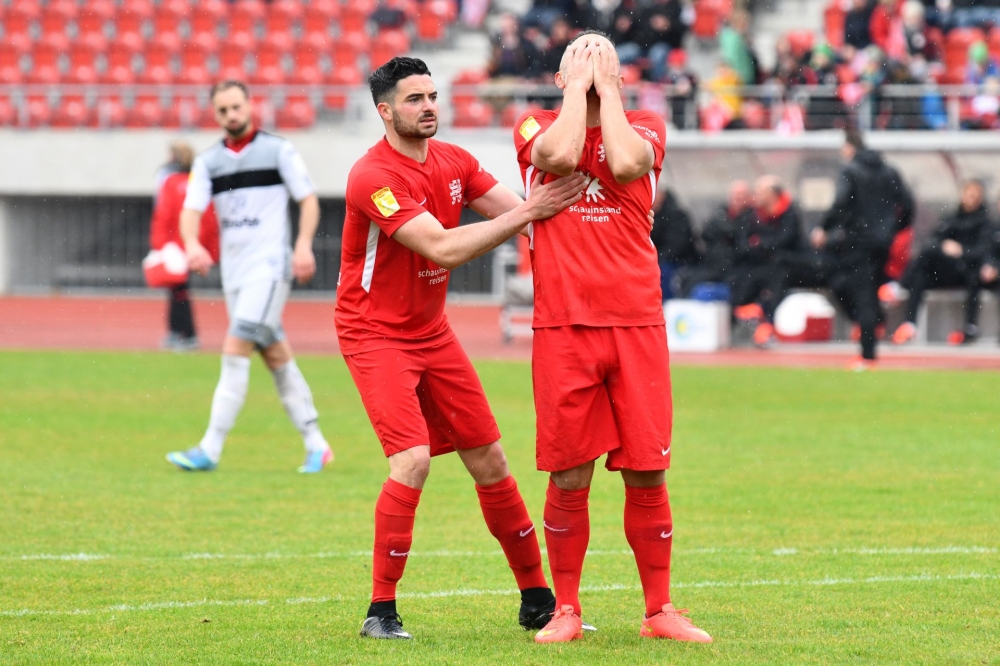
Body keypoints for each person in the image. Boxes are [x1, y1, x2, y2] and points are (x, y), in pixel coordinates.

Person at [339, 57, 586, 640]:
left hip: (432, 331)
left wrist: (599, 225)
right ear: (385, 111)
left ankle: (536, 599)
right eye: (413, 99)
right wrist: (532, 211)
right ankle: (381, 611)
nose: (428, 106)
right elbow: (443, 250)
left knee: (491, 459)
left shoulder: (454, 160)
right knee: (413, 461)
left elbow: (524, 218)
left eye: (432, 96)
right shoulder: (371, 175)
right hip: (374, 333)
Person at [513, 30, 712, 644]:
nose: (597, 72)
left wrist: (610, 93)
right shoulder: (534, 125)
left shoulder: (644, 123)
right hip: (564, 324)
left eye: (608, 65)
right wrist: (579, 91)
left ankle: (659, 612)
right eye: (582, 63)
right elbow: (560, 157)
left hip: (636, 323)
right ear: (559, 80)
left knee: (647, 472)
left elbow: (626, 164)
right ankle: (565, 610)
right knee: (568, 471)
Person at [165, 80, 333, 474]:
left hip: (270, 268)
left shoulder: (278, 150)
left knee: (235, 346)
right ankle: (316, 443)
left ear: (250, 105)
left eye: (236, 106)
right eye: (222, 110)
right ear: (216, 114)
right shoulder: (208, 162)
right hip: (235, 274)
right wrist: (191, 243)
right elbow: (190, 211)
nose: (231, 115)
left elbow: (308, 199)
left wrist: (304, 245)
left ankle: (210, 447)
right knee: (275, 354)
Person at [812, 129, 914, 368]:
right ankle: (873, 325)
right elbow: (907, 205)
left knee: (860, 293)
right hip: (882, 243)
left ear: (849, 147)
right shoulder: (890, 171)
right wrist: (893, 229)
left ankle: (868, 354)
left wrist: (825, 227)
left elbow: (841, 202)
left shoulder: (850, 171)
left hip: (858, 242)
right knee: (868, 291)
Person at [893, 180, 991, 345]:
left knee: (971, 274)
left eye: (975, 195)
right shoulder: (951, 219)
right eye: (969, 193)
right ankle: (909, 324)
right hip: (946, 269)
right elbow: (933, 240)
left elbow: (983, 251)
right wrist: (944, 248)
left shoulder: (985, 223)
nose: (971, 198)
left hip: (967, 272)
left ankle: (970, 327)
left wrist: (961, 250)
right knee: (921, 272)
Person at [148, 141, 219, 351]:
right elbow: (208, 219)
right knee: (178, 290)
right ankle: (178, 332)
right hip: (192, 244)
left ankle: (186, 334)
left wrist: (159, 244)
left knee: (179, 291)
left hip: (175, 246)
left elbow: (164, 214)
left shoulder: (170, 182)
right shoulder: (198, 181)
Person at [731, 176, 802, 346]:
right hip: (759, 264)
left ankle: (766, 319)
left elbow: (785, 241)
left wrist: (760, 243)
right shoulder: (751, 215)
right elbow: (743, 244)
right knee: (741, 275)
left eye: (760, 192)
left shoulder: (789, 213)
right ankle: (751, 311)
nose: (756, 196)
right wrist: (761, 246)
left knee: (778, 275)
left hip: (789, 266)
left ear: (772, 194)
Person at [650, 188, 699, 300]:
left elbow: (678, 245)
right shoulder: (651, 217)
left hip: (679, 262)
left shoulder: (676, 215)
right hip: (659, 259)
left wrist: (656, 258)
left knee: (661, 274)